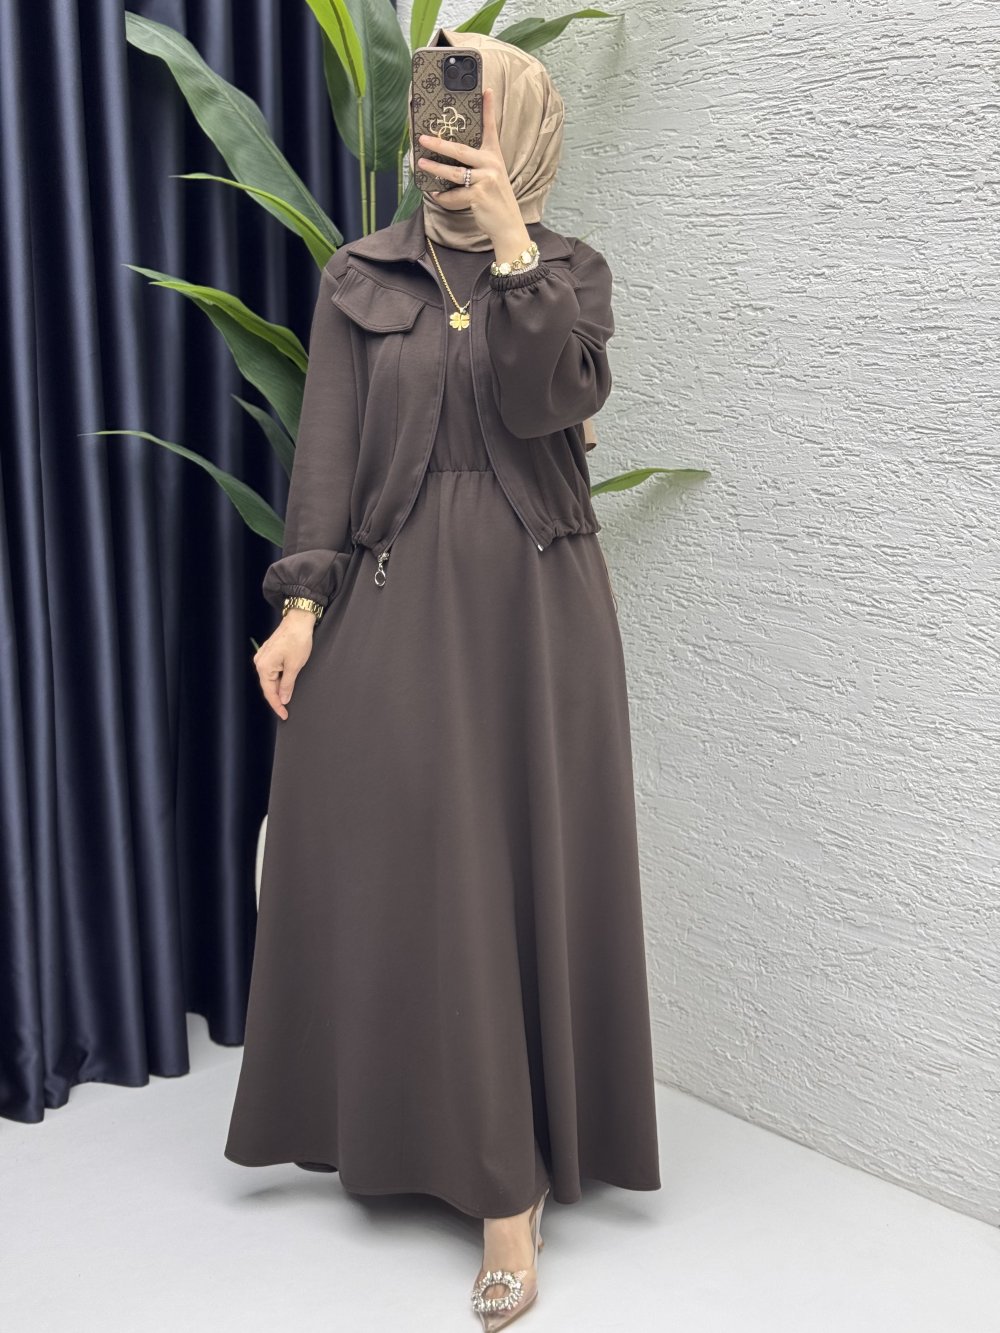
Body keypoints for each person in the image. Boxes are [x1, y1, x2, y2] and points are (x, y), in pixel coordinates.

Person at [224, 27, 661, 1329]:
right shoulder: (360, 277)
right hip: (393, 593)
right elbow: (328, 450)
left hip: (534, 610)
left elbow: (547, 403)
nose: (442, 137)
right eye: (433, 111)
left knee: (509, 869)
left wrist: (512, 241)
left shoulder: (569, 273)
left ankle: (507, 1195)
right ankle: (399, 1121)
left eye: (473, 113)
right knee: (405, 864)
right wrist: (301, 603)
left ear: (517, 134)